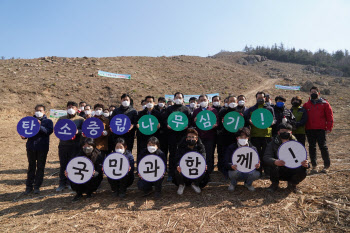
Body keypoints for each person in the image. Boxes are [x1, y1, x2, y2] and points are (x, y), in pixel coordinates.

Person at [264, 123, 309, 194]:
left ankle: (293, 185)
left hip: (292, 169)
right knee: (273, 166)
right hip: (279, 169)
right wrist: (275, 161)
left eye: (287, 131)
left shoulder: (297, 144)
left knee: (303, 170)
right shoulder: (272, 143)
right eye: (282, 130)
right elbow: (266, 157)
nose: (285, 132)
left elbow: (304, 158)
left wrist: (306, 164)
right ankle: (274, 184)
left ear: (291, 133)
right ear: (278, 132)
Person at [21, 104, 53, 194]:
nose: (38, 112)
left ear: (44, 112)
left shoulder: (48, 122)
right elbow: (25, 133)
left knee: (40, 167)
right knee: (31, 167)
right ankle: (29, 186)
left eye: (40, 110)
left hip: (42, 148)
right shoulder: (29, 121)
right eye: (37, 110)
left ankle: (37, 186)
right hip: (31, 147)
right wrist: (23, 136)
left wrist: (39, 126)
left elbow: (48, 132)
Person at [303, 86, 334, 173]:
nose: (313, 93)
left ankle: (326, 166)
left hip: (321, 129)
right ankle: (314, 166)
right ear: (309, 93)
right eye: (312, 92)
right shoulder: (306, 105)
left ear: (318, 93)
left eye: (315, 92)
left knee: (323, 147)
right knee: (312, 147)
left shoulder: (325, 104)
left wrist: (329, 128)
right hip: (309, 129)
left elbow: (330, 117)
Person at [244, 92, 275, 176]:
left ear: (265, 98)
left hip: (266, 135)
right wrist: (250, 122)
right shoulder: (251, 109)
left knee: (266, 154)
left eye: (262, 97)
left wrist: (272, 122)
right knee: (256, 154)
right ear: (256, 98)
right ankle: (258, 171)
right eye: (258, 98)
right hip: (255, 135)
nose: (260, 99)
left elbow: (274, 120)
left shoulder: (270, 109)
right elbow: (246, 119)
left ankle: (267, 172)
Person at [56, 101, 85, 192]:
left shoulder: (81, 119)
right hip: (63, 145)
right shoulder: (61, 119)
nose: (71, 109)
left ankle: (70, 182)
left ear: (77, 109)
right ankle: (62, 183)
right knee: (63, 164)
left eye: (73, 107)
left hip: (75, 145)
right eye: (69, 107)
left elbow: (84, 131)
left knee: (72, 164)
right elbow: (57, 130)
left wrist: (78, 132)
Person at [164, 92, 191, 181]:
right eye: (177, 97)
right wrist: (167, 125)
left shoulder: (186, 109)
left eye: (180, 97)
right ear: (174, 99)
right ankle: (171, 173)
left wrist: (188, 126)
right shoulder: (169, 109)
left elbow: (190, 122)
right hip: (172, 136)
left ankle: (184, 172)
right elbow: (165, 120)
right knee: (172, 154)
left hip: (183, 136)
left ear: (183, 99)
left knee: (183, 153)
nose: (178, 99)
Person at [224, 127, 260, 192]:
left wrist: (258, 165)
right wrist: (231, 166)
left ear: (248, 138)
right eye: (241, 137)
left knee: (256, 174)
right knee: (233, 173)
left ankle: (248, 184)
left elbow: (257, 161)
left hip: (248, 171)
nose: (243, 139)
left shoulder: (253, 148)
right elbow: (226, 162)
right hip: (236, 170)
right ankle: (233, 183)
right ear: (237, 138)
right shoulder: (231, 147)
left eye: (245, 137)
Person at [174, 129, 209, 195]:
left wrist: (204, 165)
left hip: (195, 169)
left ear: (196, 139)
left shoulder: (200, 147)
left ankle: (195, 184)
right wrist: (178, 165)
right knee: (177, 170)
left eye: (193, 137)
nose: (191, 139)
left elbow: (203, 158)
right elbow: (177, 158)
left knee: (204, 169)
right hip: (184, 169)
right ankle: (181, 184)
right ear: (186, 139)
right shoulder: (181, 147)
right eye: (189, 137)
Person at [192, 94, 218, 174]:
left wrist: (215, 125)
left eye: (205, 100)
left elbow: (218, 122)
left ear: (208, 101)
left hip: (210, 136)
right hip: (199, 136)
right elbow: (192, 124)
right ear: (199, 101)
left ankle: (209, 171)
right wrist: (194, 121)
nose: (203, 102)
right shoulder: (196, 111)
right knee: (199, 153)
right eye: (201, 100)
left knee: (209, 154)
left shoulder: (213, 110)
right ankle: (199, 170)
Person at [217, 95, 239, 177]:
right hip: (225, 138)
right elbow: (218, 126)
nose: (232, 103)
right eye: (231, 101)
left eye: (234, 101)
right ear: (228, 102)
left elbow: (244, 125)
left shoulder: (240, 112)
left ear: (237, 102)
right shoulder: (223, 112)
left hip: (236, 138)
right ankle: (224, 172)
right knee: (225, 155)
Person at [136, 96, 161, 163]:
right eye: (147, 101)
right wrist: (137, 126)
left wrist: (160, 126)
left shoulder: (158, 114)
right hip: (143, 136)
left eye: (151, 101)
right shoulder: (141, 113)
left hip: (154, 136)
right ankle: (140, 168)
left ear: (154, 103)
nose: (149, 103)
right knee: (142, 152)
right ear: (145, 103)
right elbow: (137, 123)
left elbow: (162, 124)